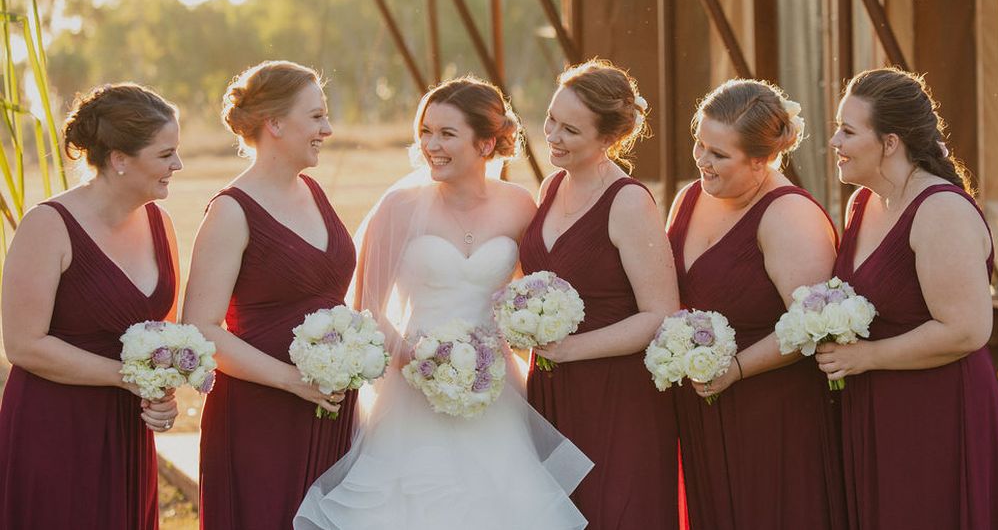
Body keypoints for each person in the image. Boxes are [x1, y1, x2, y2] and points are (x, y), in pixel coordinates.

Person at [295, 76, 591, 530]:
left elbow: (527, 296)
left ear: (487, 142)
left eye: (447, 134)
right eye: (426, 132)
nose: (431, 145)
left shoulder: (520, 206)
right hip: (411, 388)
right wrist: (418, 358)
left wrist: (526, 331)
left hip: (496, 390)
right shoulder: (399, 207)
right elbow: (368, 307)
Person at [815, 67, 998, 529]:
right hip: (877, 402)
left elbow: (967, 328)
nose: (835, 143)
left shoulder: (940, 209)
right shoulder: (862, 203)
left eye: (848, 131)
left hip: (938, 407)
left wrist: (867, 356)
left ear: (890, 142)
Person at [0, 83, 181, 529]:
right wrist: (129, 379)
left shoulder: (161, 223)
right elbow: (23, 345)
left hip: (127, 430)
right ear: (120, 159)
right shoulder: (47, 225)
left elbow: (167, 336)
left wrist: (163, 391)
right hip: (55, 427)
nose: (177, 165)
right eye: (165, 154)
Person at [184, 61, 357, 529]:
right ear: (275, 123)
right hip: (261, 416)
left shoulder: (315, 192)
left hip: (331, 409)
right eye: (316, 116)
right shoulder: (230, 211)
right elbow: (199, 329)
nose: (328, 128)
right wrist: (293, 381)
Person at [667, 79, 845, 529]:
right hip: (704, 408)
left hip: (772, 415)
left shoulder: (788, 216)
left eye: (719, 155)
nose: (703, 161)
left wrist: (737, 369)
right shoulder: (690, 197)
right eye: (700, 144)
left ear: (762, 159)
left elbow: (812, 327)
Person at [520, 59, 681, 529]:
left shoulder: (628, 201)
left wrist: (571, 348)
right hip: (551, 389)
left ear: (608, 139)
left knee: (616, 511)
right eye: (551, 118)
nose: (552, 134)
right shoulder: (552, 186)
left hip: (616, 394)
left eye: (570, 129)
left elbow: (660, 312)